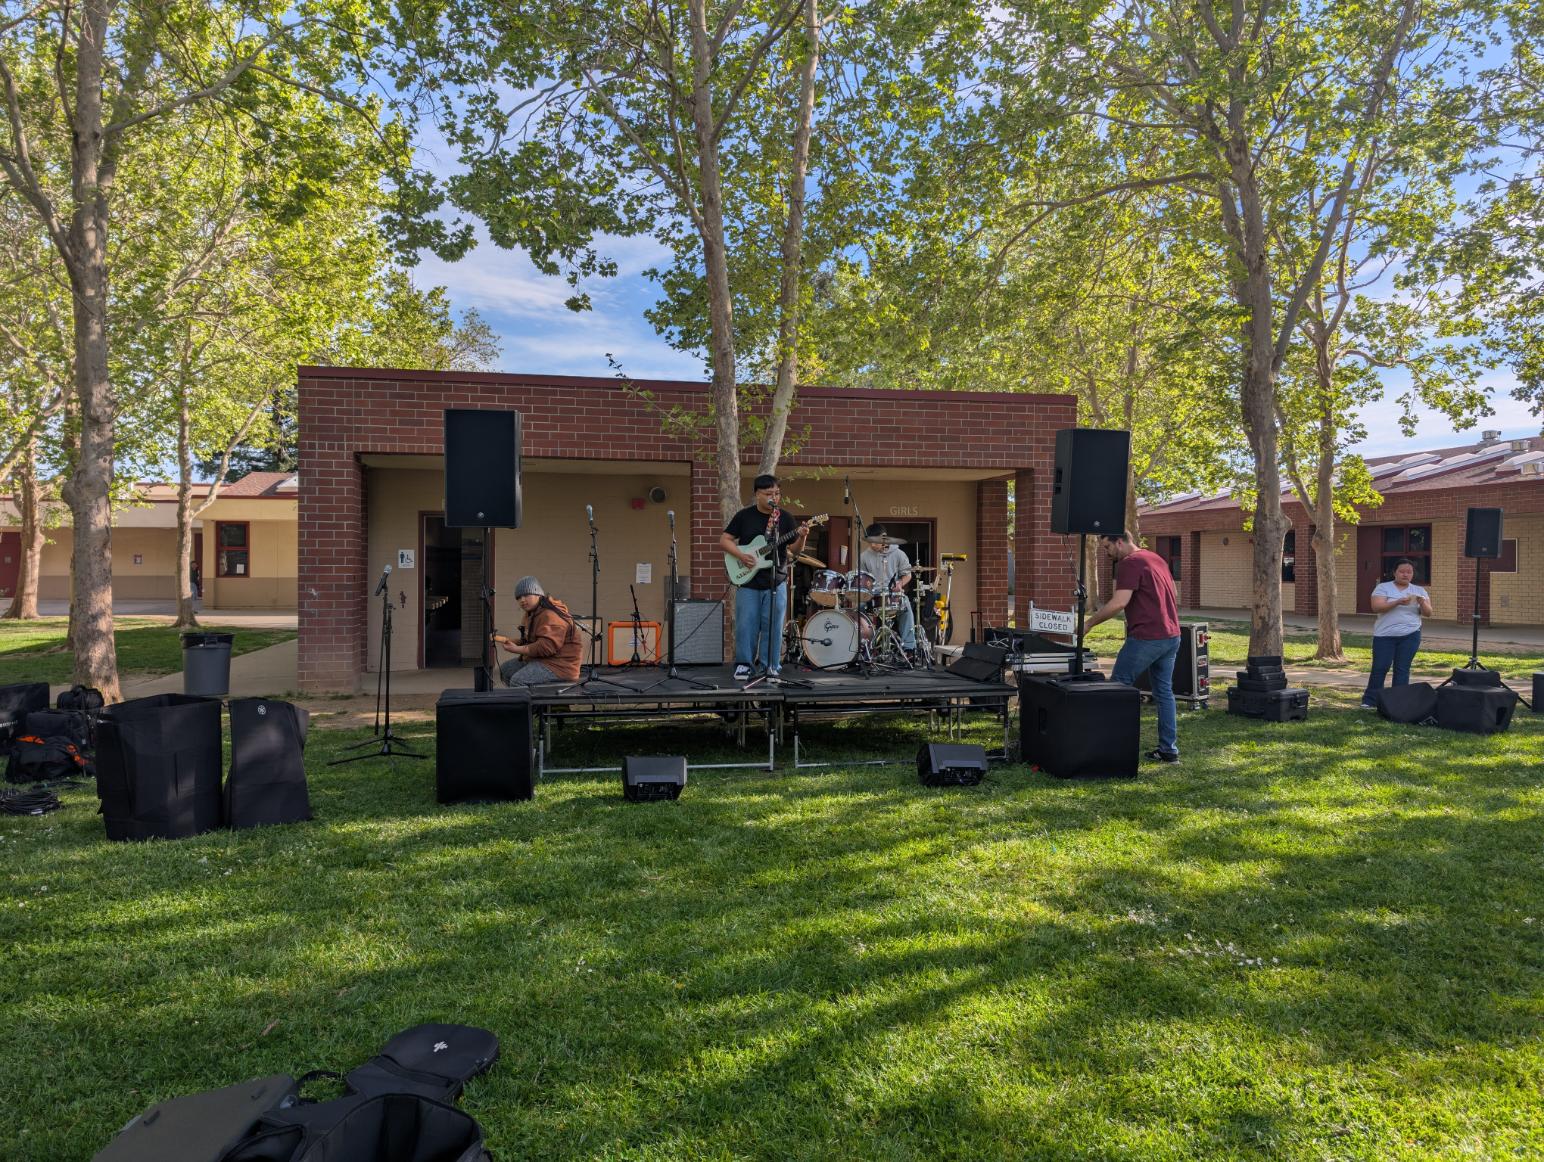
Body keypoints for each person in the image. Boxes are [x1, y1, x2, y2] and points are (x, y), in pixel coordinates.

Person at [1084, 530, 1182, 763]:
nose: (1107, 553)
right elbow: (1174, 593)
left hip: (1147, 638)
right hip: (1171, 635)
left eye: (1107, 547)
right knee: (1164, 694)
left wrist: (1089, 623)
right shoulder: (1155, 558)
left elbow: (1119, 602)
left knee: (1117, 689)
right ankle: (1168, 751)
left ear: (1120, 541)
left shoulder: (1129, 563)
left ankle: (1111, 748)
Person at [720, 474, 811, 681]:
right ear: (757, 494)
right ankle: (744, 665)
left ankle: (770, 666)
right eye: (769, 494)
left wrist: (803, 536)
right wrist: (741, 556)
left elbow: (795, 551)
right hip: (748, 581)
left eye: (777, 493)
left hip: (776, 580)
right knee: (746, 624)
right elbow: (724, 540)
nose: (774, 497)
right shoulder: (744, 516)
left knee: (774, 625)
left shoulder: (785, 518)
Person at [1361, 558, 1432, 709]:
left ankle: (1398, 701)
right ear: (1394, 573)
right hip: (1385, 635)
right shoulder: (1383, 588)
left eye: (1409, 572)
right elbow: (1376, 607)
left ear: (1413, 574)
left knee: (1402, 668)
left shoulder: (1419, 591)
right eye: (1402, 571)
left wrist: (1423, 603)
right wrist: (1397, 602)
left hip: (1410, 634)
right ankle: (1370, 700)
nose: (1405, 574)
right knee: (1380, 667)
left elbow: (1428, 613)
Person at [497, 575, 584, 686]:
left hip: (560, 667)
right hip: (542, 660)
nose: (522, 600)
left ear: (538, 594)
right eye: (518, 597)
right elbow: (529, 641)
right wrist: (508, 641)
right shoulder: (531, 614)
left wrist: (517, 649)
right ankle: (528, 701)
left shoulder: (550, 614)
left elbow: (546, 647)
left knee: (518, 681)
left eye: (526, 595)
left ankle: (531, 703)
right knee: (506, 670)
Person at [860, 523, 917, 656]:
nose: (873, 545)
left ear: (884, 538)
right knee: (858, 608)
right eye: (871, 542)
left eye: (876, 541)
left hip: (892, 593)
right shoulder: (864, 556)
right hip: (873, 594)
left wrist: (900, 584)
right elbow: (862, 578)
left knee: (906, 606)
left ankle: (909, 648)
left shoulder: (898, 553)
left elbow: (908, 574)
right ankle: (862, 647)